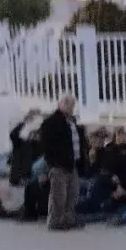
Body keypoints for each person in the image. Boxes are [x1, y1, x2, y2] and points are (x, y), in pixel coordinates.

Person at [39, 94, 85, 230]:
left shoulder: (72, 121)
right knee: (59, 195)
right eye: (67, 103)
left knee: (72, 193)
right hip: (59, 165)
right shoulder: (51, 122)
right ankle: (55, 221)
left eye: (72, 104)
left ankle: (68, 219)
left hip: (72, 163)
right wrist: (52, 163)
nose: (70, 107)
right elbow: (46, 145)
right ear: (60, 104)